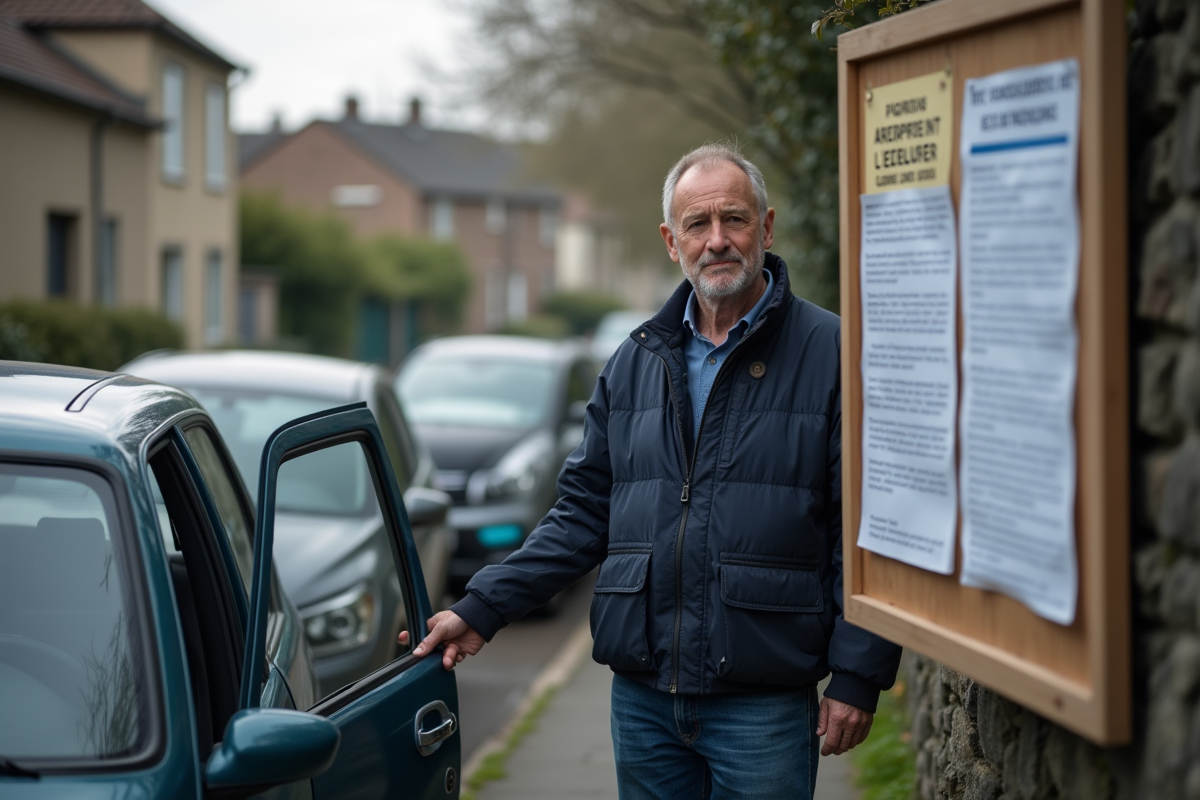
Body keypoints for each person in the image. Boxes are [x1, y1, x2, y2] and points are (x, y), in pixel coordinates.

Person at [403, 143, 902, 799]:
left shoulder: (833, 353)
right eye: (698, 224)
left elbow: (868, 526)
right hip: (643, 703)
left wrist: (857, 675)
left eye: (734, 219)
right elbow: (583, 515)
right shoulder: (634, 361)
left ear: (767, 227)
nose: (717, 240)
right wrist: (482, 607)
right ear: (672, 241)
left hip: (765, 704)